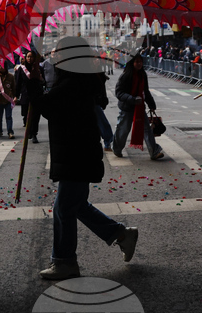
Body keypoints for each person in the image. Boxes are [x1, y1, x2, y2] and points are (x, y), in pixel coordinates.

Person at [28, 37, 138, 280]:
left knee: (65, 207)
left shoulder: (74, 82)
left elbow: (45, 106)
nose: (52, 56)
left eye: (57, 53)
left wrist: (34, 82)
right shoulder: (75, 79)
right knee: (74, 206)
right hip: (76, 154)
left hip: (76, 155)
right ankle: (121, 235)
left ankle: (65, 261)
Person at [112, 53, 164, 160]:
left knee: (147, 130)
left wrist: (151, 104)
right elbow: (119, 92)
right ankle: (117, 149)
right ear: (132, 63)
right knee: (123, 130)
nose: (139, 64)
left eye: (140, 61)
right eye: (136, 62)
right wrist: (132, 99)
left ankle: (154, 151)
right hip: (127, 108)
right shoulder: (126, 75)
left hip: (140, 107)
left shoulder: (143, 75)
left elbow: (145, 91)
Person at [14, 51, 42, 144]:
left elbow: (43, 82)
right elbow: (18, 84)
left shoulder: (38, 68)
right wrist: (16, 95)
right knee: (26, 115)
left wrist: (41, 78)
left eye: (31, 57)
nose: (29, 58)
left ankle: (34, 134)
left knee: (35, 116)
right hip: (25, 95)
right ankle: (29, 131)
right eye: (28, 57)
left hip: (36, 95)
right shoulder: (22, 69)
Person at [0, 61, 17, 139]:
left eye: (0, 66)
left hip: (8, 100)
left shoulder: (10, 76)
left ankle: (10, 132)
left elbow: (14, 88)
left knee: (8, 117)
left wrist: (15, 96)